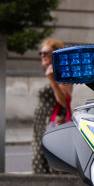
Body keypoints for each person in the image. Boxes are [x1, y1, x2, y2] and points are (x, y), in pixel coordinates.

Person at [31, 38, 72, 174]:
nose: (42, 56)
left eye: (46, 53)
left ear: (55, 54)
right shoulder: (51, 72)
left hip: (53, 123)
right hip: (41, 123)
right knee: (39, 160)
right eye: (41, 53)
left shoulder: (61, 74)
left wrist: (52, 81)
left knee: (52, 161)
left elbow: (64, 101)